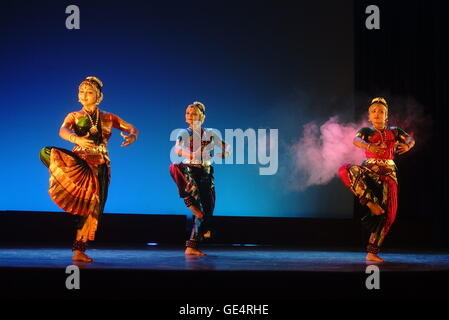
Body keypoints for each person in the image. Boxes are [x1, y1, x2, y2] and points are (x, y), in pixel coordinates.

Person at [39, 76, 138, 262]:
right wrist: (76, 140)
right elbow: (63, 131)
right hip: (80, 162)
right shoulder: (74, 116)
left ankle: (79, 249)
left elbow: (131, 127)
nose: (84, 95)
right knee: (46, 152)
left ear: (99, 96)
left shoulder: (108, 117)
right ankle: (64, 178)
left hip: (100, 165)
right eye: (81, 92)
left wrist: (132, 135)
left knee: (94, 207)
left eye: (89, 92)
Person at [338, 97, 415, 262]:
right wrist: (369, 146)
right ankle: (371, 203)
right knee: (345, 169)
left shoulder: (395, 131)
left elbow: (410, 139)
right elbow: (356, 140)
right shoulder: (367, 131)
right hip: (369, 171)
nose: (377, 114)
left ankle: (372, 252)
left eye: (381, 111)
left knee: (390, 215)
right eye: (374, 111)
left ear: (386, 116)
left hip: (389, 175)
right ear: (369, 116)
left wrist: (407, 146)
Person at [169, 101, 230, 255]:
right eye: (188, 113)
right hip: (190, 171)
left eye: (194, 113)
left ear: (202, 116)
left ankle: (192, 247)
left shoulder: (210, 133)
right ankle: (190, 204)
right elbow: (177, 149)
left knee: (207, 211)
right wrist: (189, 154)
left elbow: (226, 147)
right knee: (199, 210)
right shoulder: (184, 133)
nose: (190, 116)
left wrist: (224, 153)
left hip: (206, 172)